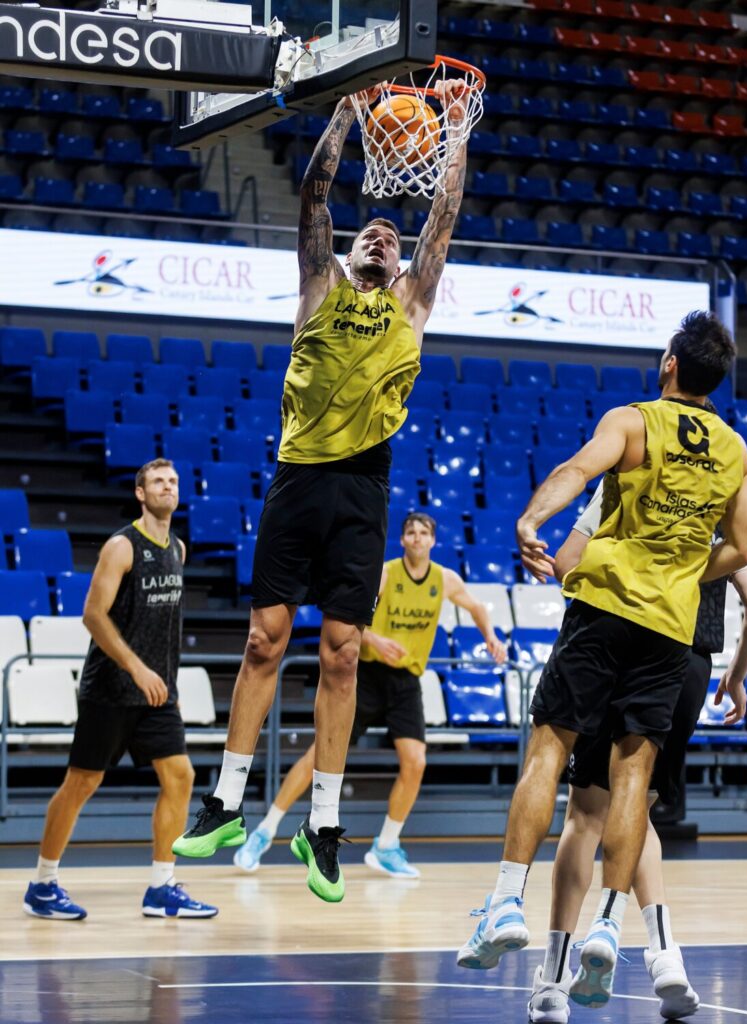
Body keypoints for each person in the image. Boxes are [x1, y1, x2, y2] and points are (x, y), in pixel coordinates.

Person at [173, 80, 472, 905]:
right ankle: (226, 802)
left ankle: (325, 827)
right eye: (369, 230)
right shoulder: (320, 285)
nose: (382, 233)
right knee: (264, 642)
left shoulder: (413, 303)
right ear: (346, 250)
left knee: (340, 653)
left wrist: (450, 131)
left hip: (362, 488)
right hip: (298, 478)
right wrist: (345, 113)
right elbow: (313, 192)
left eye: (391, 235)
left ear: (403, 261)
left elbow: (443, 210)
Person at [457, 311, 747, 1012]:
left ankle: (506, 901)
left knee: (548, 754)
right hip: (668, 629)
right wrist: (681, 570)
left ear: (669, 364)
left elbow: (575, 470)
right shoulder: (734, 448)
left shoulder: (633, 419)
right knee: (632, 782)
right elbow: (742, 549)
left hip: (601, 613)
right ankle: (610, 925)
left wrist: (530, 520)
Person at [527, 480, 747, 1024]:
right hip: (689, 663)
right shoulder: (717, 498)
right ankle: (666, 959)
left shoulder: (626, 481)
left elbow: (567, 561)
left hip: (620, 645)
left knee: (588, 812)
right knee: (638, 806)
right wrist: (734, 678)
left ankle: (552, 982)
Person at [233, 511, 508, 877]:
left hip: (406, 682)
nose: (417, 538)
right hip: (366, 677)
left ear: (433, 541)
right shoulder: (385, 573)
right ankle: (265, 832)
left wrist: (490, 636)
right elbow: (347, 617)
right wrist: (373, 638)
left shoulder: (445, 579)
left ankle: (387, 845)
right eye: (410, 532)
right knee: (319, 754)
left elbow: (476, 606)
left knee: (416, 762)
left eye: (423, 533)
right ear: (403, 539)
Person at [23, 459, 216, 921]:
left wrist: (167, 682)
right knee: (82, 783)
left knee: (181, 776)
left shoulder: (178, 548)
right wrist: (135, 668)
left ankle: (161, 887)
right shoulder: (121, 546)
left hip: (156, 694)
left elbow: (165, 626)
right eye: (157, 482)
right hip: (111, 688)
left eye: (173, 480)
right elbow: (93, 614)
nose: (167, 487)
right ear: (139, 492)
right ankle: (43, 883)